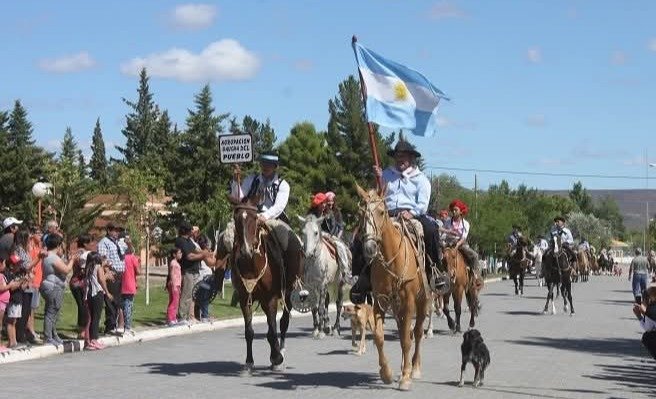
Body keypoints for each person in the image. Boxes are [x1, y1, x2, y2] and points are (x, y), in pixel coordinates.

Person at [351, 140, 436, 303]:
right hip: (386, 215)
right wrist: (378, 178)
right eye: (397, 157)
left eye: (403, 156)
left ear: (411, 158)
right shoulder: (386, 175)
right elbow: (378, 194)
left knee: (431, 230)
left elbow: (423, 204)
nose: (399, 160)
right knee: (361, 236)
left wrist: (411, 213)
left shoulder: (421, 179)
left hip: (411, 215)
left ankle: (434, 271)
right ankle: (360, 278)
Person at [41, 234, 76, 347]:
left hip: (50, 285)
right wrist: (72, 260)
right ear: (58, 245)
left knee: (52, 312)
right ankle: (48, 337)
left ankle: (53, 334)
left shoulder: (49, 256)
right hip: (53, 287)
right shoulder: (53, 257)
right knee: (51, 312)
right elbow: (66, 270)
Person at [175, 221, 212, 324]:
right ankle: (182, 317)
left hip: (195, 271)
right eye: (190, 230)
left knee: (192, 295)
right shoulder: (181, 241)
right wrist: (203, 255)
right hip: (187, 271)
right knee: (186, 294)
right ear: (186, 231)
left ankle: (188, 316)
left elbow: (196, 250)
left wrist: (207, 253)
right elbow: (189, 256)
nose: (192, 231)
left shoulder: (189, 241)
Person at [98, 222, 130, 335]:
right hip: (112, 274)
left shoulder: (118, 243)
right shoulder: (104, 243)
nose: (117, 233)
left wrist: (128, 243)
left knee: (118, 300)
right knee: (112, 301)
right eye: (115, 230)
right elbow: (103, 259)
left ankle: (116, 324)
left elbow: (129, 250)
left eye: (118, 231)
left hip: (120, 275)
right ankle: (110, 326)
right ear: (109, 230)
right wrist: (107, 272)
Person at [443, 199, 481, 282]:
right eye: (452, 210)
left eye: (456, 210)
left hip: (460, 244)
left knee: (474, 255)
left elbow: (463, 238)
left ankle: (475, 276)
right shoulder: (448, 222)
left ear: (461, 211)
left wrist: (456, 246)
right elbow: (442, 230)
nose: (453, 211)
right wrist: (447, 232)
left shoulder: (465, 223)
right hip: (448, 243)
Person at [84, 252, 111, 350]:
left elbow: (87, 283)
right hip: (97, 293)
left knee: (92, 318)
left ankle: (91, 339)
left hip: (89, 294)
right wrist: (107, 292)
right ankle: (94, 340)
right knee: (96, 317)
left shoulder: (88, 268)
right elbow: (101, 280)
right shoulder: (98, 267)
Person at [70, 234, 94, 339]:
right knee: (83, 306)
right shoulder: (83, 254)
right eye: (90, 243)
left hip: (77, 283)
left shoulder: (78, 253)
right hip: (79, 283)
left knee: (82, 306)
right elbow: (84, 269)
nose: (92, 245)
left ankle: (83, 329)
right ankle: (82, 330)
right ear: (85, 244)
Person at [632, 286, 656, 361]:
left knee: (647, 337)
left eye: (643, 299)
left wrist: (639, 316)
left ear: (648, 299)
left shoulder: (650, 310)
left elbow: (648, 329)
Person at [121, 246, 140, 335]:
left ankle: (126, 326)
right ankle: (127, 327)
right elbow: (138, 271)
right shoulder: (132, 258)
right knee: (128, 306)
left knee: (125, 305)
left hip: (122, 284)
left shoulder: (121, 258)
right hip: (130, 284)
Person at [166, 248, 182, 326]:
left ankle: (174, 318)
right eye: (179, 253)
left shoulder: (176, 263)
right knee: (173, 302)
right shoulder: (173, 263)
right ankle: (170, 319)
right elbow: (171, 274)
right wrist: (174, 285)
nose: (180, 254)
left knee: (176, 302)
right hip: (174, 284)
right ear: (174, 254)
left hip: (177, 284)